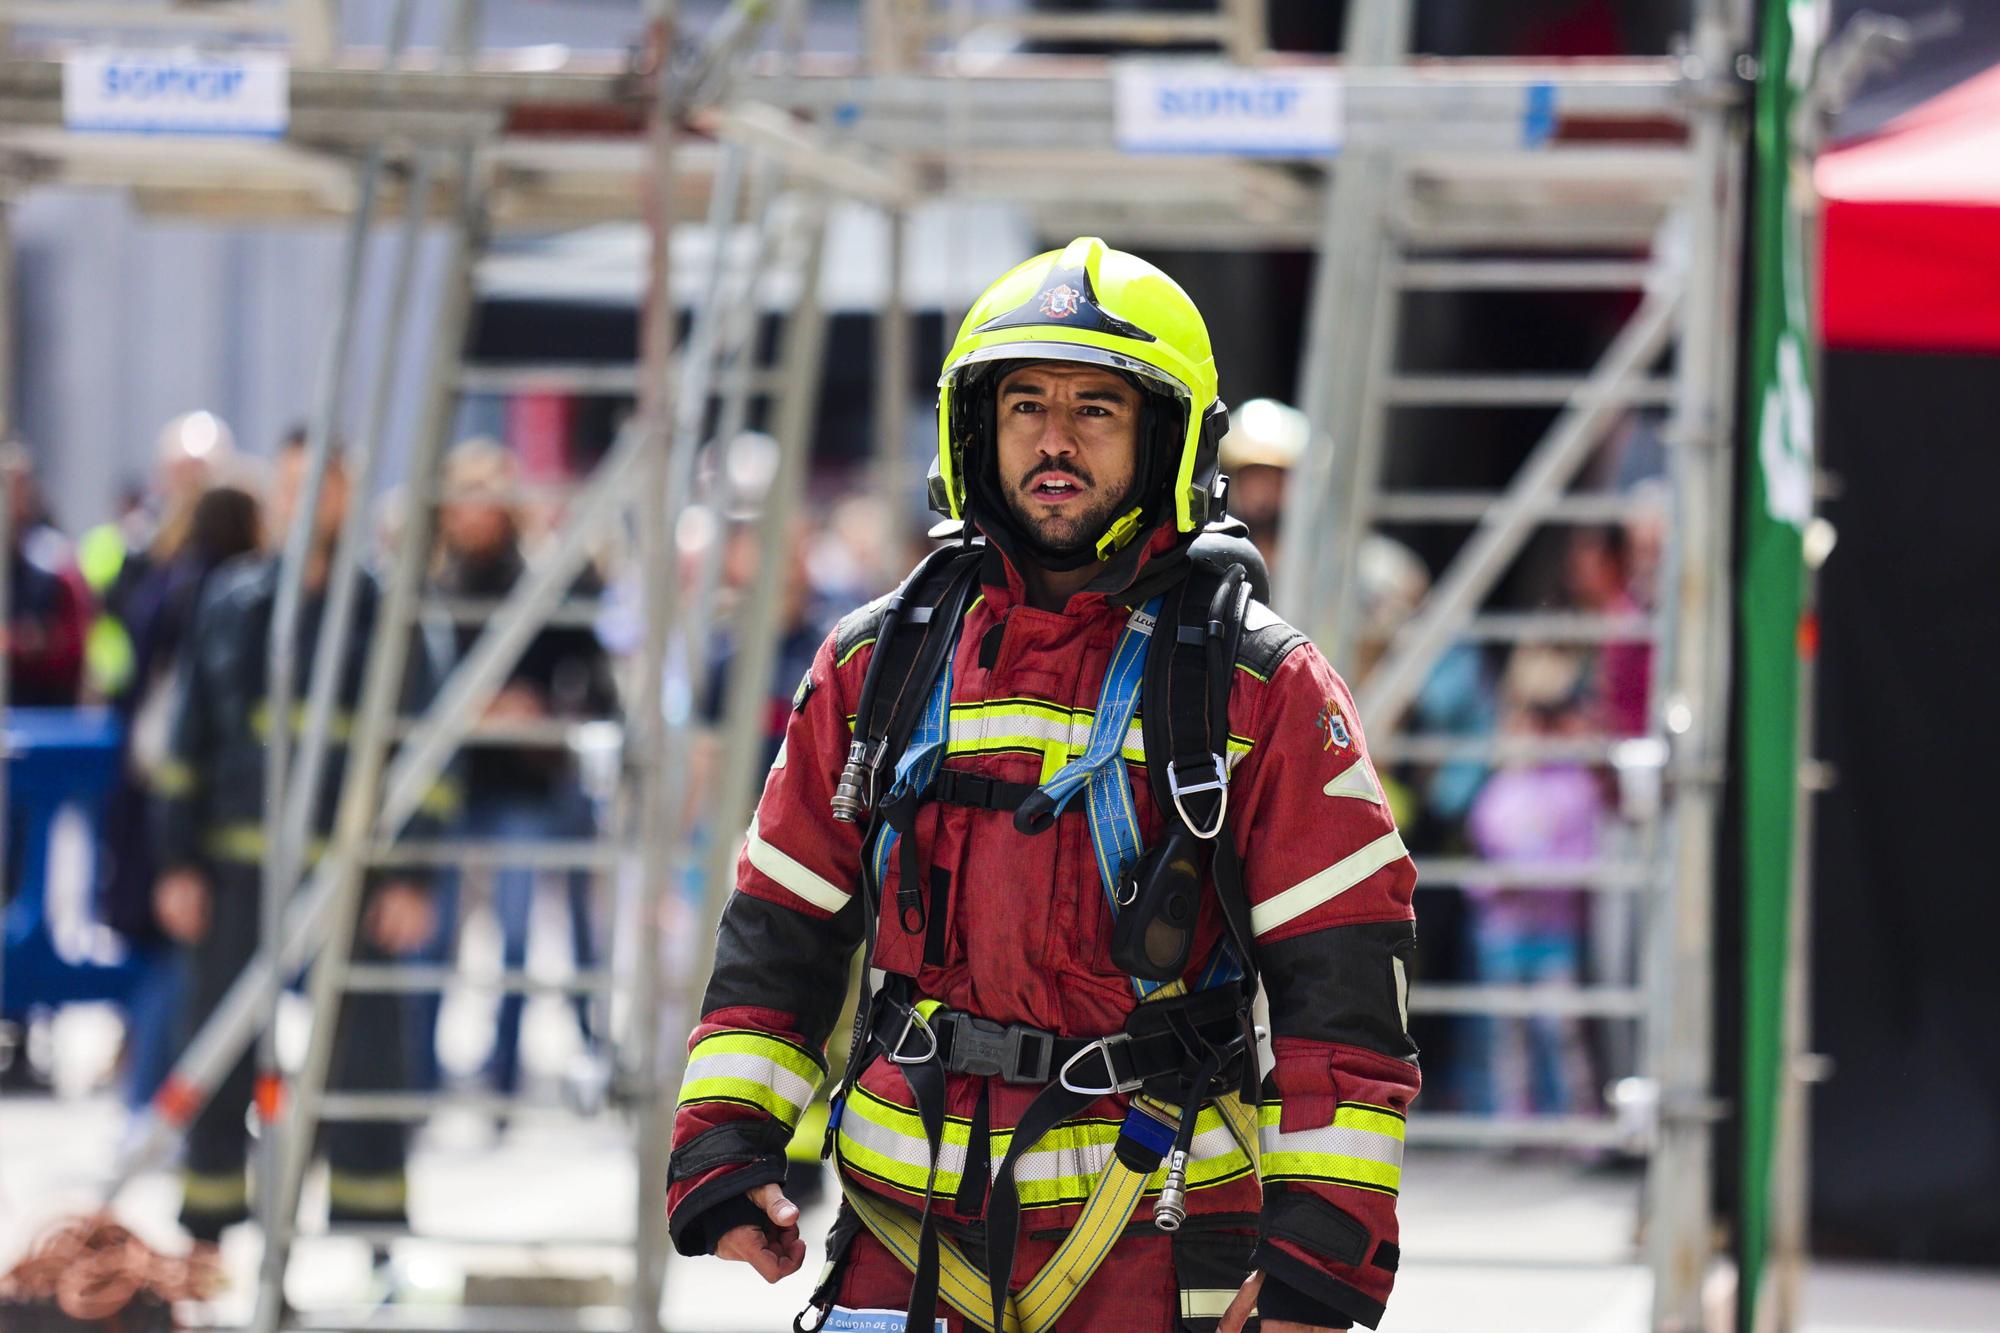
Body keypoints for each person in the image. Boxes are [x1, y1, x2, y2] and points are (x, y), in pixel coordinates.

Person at [664, 239, 1420, 1332]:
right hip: (899, 1244)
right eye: (1023, 404)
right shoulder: (875, 665)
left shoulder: (1261, 685)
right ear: (974, 428)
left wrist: (1321, 1251)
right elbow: (781, 921)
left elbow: (1344, 989)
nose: (1052, 438)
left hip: (1152, 1251)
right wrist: (728, 1139)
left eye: (1095, 408)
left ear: (1167, 437)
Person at [148, 436, 441, 1244]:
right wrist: (176, 861)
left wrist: (412, 871)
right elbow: (189, 741)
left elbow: (428, 747)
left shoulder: (392, 608)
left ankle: (370, 1231)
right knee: (216, 1044)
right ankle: (207, 1226)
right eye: (290, 485)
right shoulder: (233, 600)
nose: (305, 500)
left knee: (367, 1053)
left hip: (355, 880)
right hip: (235, 869)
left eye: (325, 484)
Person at [408, 439, 618, 1099]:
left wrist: (537, 707)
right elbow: (413, 680)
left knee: (519, 937)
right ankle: (420, 1077)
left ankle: (501, 1079)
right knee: (432, 938)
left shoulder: (544, 577)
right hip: (447, 784)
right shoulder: (432, 584)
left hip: (523, 782)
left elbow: (590, 677)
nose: (475, 513)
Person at [99, 483, 262, 1114]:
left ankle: (145, 1103)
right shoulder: (228, 595)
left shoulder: (164, 581)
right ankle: (153, 1107)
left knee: (163, 957)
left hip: (152, 795)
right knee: (180, 963)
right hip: (189, 805)